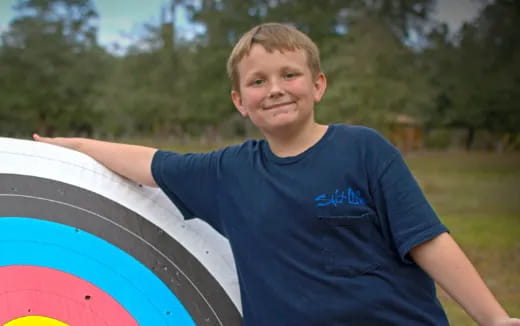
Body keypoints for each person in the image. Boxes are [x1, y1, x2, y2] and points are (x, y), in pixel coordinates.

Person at [34, 22, 519, 326]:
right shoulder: (227, 171)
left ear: (318, 84)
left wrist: (494, 319)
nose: (276, 89)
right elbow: (150, 162)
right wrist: (72, 148)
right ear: (239, 102)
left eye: (289, 74)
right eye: (257, 81)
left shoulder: (364, 149)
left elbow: (428, 240)